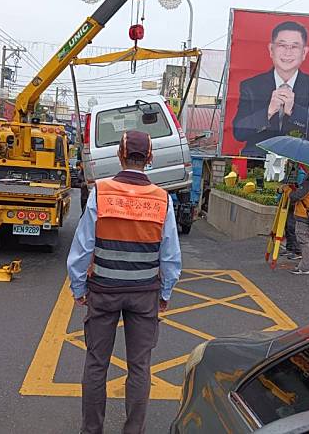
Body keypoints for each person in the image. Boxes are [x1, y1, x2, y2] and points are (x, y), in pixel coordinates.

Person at [66, 130, 182, 434]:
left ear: (120, 155)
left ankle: (92, 430)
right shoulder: (162, 199)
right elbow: (170, 256)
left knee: (96, 365)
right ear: (151, 158)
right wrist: (166, 292)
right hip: (144, 295)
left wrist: (79, 288)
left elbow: (81, 250)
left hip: (104, 291)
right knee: (140, 367)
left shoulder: (100, 192)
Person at [232, 21, 309, 156]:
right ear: (271, 49)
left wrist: (294, 111)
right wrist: (268, 112)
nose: (288, 52)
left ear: (304, 52)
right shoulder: (251, 86)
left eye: (294, 46)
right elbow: (238, 132)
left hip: (299, 162)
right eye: (282, 45)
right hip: (258, 162)